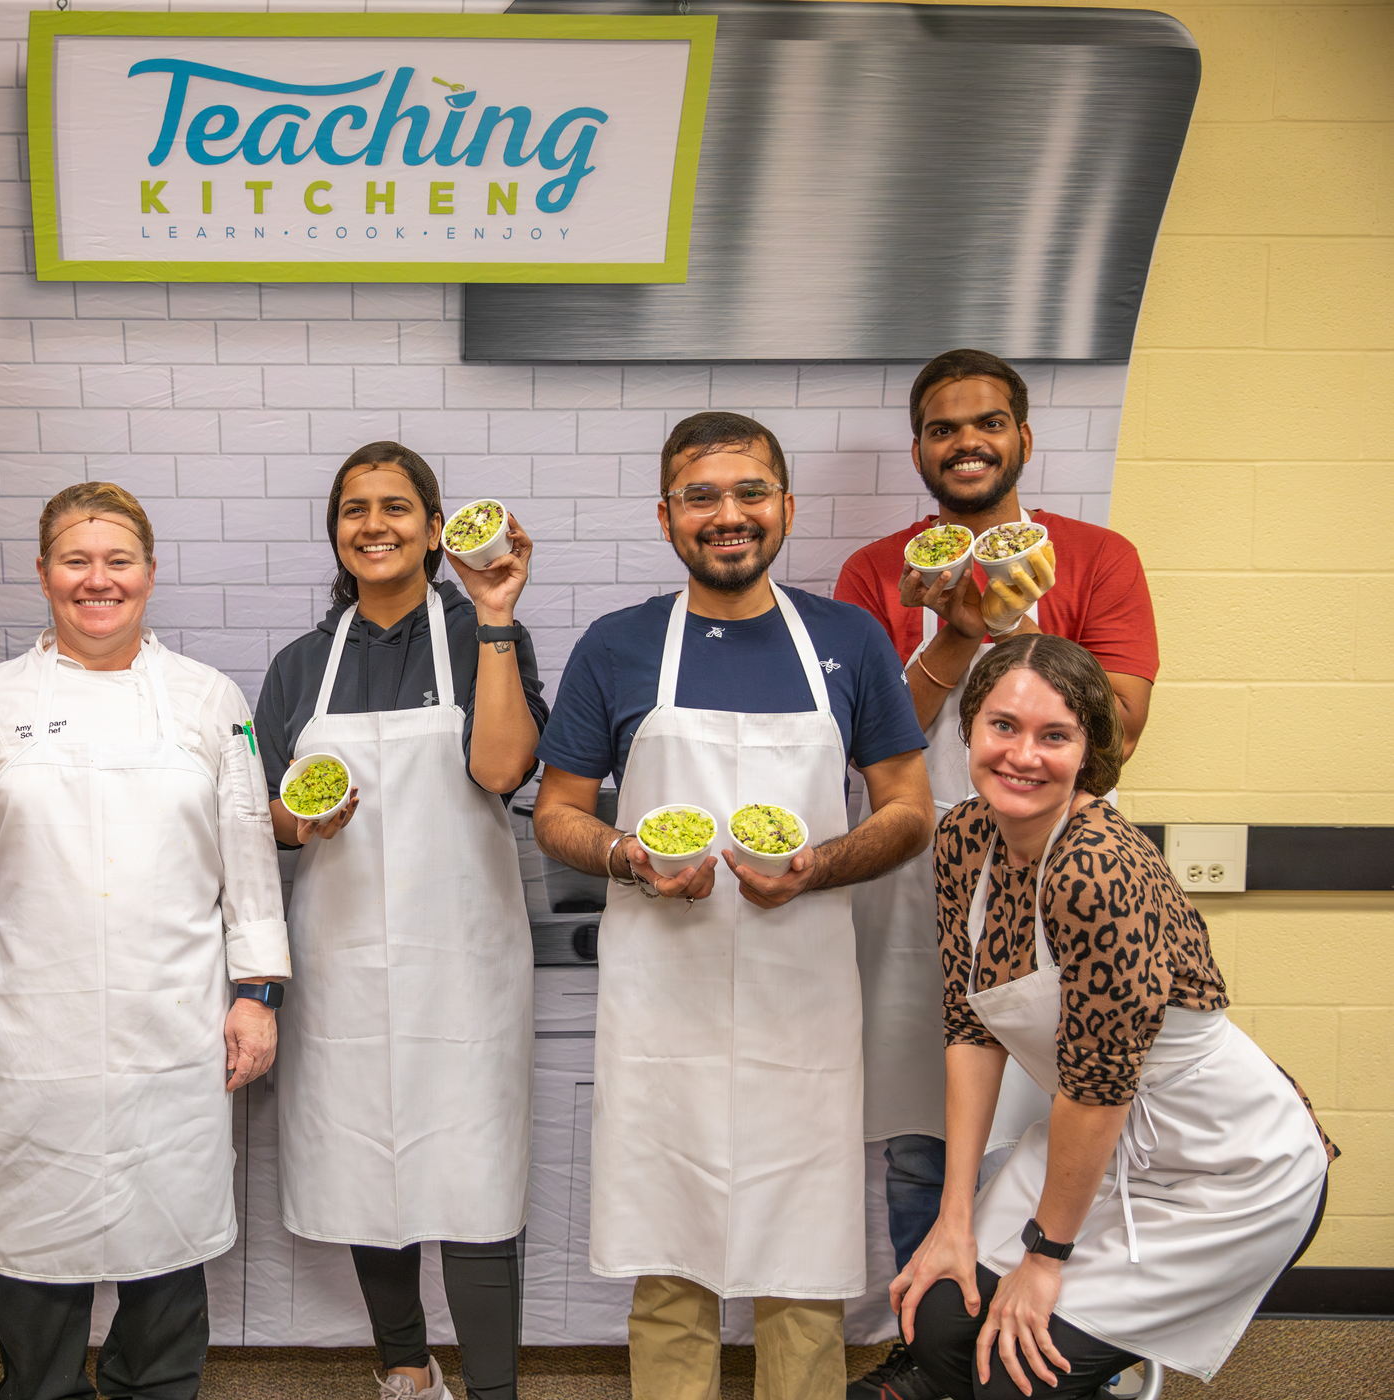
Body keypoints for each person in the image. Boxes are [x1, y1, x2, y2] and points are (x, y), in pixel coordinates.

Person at [530, 412, 936, 1400]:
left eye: (750, 491)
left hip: (802, 994)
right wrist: (630, 854)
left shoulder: (848, 638)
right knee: (670, 1241)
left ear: (786, 507)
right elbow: (557, 814)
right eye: (701, 495)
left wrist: (820, 864)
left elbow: (910, 808)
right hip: (662, 994)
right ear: (667, 515)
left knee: (801, 1250)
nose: (728, 514)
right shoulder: (616, 646)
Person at [834, 350, 1159, 1400]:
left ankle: (1071, 1327)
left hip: (1056, 884)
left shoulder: (1099, 557)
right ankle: (925, 1334)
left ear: (1022, 436)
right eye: (941, 427)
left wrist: (1017, 625)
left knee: (1063, 1100)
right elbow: (870, 739)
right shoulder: (875, 574)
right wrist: (946, 632)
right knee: (923, 1119)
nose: (965, 441)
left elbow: (1116, 732)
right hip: (916, 874)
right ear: (920, 447)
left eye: (986, 423)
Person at [894, 634, 1333, 1400]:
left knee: (1016, 1382)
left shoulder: (1099, 869)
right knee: (940, 1325)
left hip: (1223, 1170)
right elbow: (971, 1025)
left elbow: (1098, 1089)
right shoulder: (964, 838)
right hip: (1097, 1149)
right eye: (1003, 727)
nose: (1022, 756)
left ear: (1089, 750)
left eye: (1054, 736)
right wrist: (953, 1217)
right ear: (970, 729)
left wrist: (1044, 1259)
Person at [0, 482, 290, 1400]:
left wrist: (258, 993)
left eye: (118, 560)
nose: (99, 581)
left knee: (164, 1255)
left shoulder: (210, 700)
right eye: (77, 560)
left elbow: (248, 853)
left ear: (150, 574)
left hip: (168, 1030)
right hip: (26, 1030)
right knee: (32, 1246)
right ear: (45, 574)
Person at [254, 443, 549, 1400]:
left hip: (462, 958)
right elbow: (266, 815)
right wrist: (298, 819)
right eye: (353, 509)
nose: (373, 525)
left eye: (395, 507)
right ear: (335, 533)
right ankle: (405, 1370)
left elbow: (503, 772)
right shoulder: (301, 665)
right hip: (340, 959)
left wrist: (497, 616)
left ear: (432, 526)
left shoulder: (484, 638)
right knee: (360, 1166)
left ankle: (495, 1389)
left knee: (473, 1177)